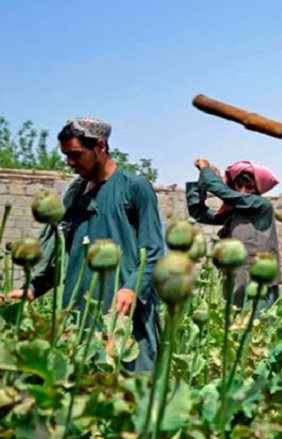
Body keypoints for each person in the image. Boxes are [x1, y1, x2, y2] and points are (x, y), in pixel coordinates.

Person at [6, 117, 165, 372]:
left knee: (132, 396)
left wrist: (132, 288)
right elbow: (65, 259)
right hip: (79, 318)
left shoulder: (135, 188)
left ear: (100, 146)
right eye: (66, 156)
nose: (70, 163)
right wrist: (33, 288)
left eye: (76, 154)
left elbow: (154, 252)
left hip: (123, 317)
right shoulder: (73, 198)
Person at [186, 159, 282, 313]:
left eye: (249, 187)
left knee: (258, 330)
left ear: (258, 189)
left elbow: (225, 193)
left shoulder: (262, 206)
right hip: (234, 281)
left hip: (259, 283)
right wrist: (202, 180)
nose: (243, 191)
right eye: (240, 186)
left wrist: (206, 171)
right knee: (233, 329)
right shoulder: (233, 212)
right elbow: (199, 213)